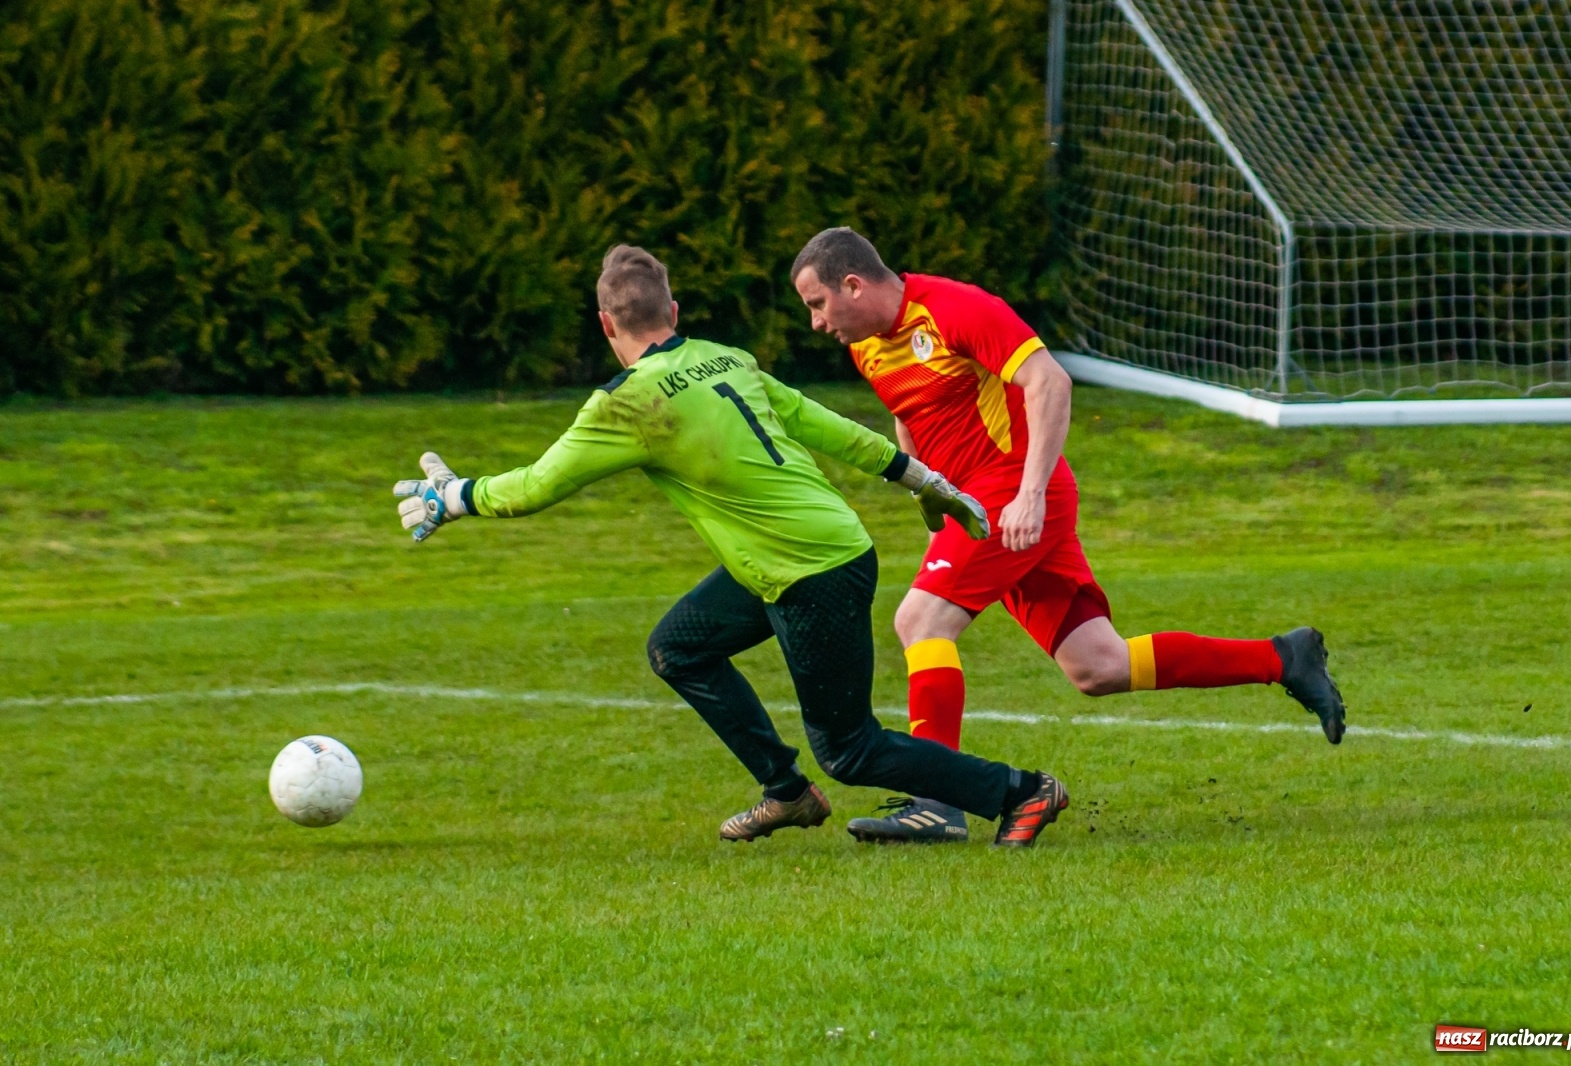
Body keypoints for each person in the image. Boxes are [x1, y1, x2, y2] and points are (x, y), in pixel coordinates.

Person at [394, 244, 1070, 847]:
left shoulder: (626, 403)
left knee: (850, 750)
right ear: (674, 309)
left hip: (810, 571)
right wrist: (921, 478)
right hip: (810, 552)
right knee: (678, 648)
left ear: (606, 326)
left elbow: (535, 487)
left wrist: (452, 497)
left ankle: (1019, 791)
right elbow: (822, 423)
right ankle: (786, 792)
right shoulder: (724, 356)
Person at [789, 227, 1346, 844]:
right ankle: (1282, 658)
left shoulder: (957, 307)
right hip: (979, 505)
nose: (816, 322)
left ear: (853, 284)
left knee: (920, 621)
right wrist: (931, 496)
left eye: (817, 304)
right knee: (1099, 666)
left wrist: (1029, 492)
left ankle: (936, 801)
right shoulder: (868, 346)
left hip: (1018, 491)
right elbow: (909, 412)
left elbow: (1050, 382)